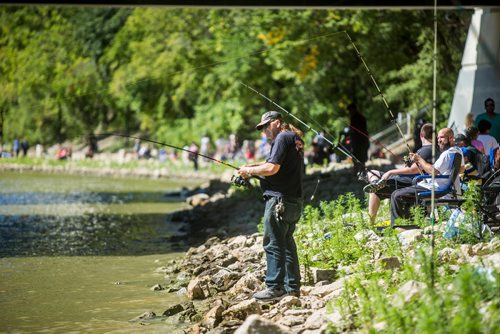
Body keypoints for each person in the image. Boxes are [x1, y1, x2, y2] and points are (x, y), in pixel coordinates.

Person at [237, 111, 304, 302]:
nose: (265, 130)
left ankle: (274, 287)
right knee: (287, 243)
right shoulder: (294, 138)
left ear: (277, 122)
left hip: (279, 202)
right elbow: (271, 164)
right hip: (294, 201)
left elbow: (271, 168)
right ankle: (293, 288)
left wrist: (249, 171)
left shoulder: (282, 137)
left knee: (273, 243)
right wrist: (249, 167)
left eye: (267, 126)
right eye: (262, 128)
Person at [363, 123, 438, 224]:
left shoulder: (426, 150)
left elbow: (413, 169)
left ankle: (371, 222)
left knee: (375, 190)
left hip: (409, 182)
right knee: (372, 173)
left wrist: (390, 172)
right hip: (407, 180)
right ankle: (376, 182)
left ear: (421, 135)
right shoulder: (434, 149)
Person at [390, 128, 464, 226]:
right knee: (404, 191)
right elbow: (462, 169)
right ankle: (410, 222)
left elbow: (433, 171)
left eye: (442, 137)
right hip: (439, 185)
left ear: (451, 138)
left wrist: (419, 159)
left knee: (396, 195)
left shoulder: (447, 154)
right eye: (438, 138)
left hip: (436, 187)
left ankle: (398, 225)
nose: (438, 140)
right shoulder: (458, 151)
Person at [347, 103, 369, 175]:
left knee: (358, 155)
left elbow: (353, 130)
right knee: (359, 155)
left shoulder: (356, 118)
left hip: (359, 140)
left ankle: (358, 170)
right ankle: (359, 170)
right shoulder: (360, 117)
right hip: (361, 139)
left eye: (350, 110)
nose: (349, 112)